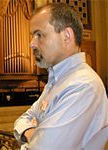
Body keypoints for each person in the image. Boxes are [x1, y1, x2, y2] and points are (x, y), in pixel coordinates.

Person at [13, 2, 108, 150]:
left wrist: (35, 135)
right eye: (33, 36)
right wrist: (33, 133)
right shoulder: (57, 80)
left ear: (66, 36)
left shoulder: (83, 85)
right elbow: (23, 119)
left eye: (39, 35)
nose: (32, 44)